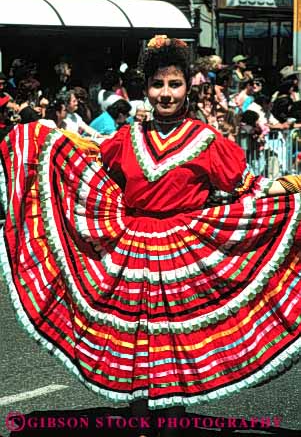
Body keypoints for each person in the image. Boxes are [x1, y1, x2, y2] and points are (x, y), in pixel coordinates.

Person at [0, 35, 301, 437]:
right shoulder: (128, 138)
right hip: (131, 250)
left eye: (174, 84)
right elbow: (91, 163)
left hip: (184, 251)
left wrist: (289, 188)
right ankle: (142, 421)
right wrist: (46, 141)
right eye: (158, 85)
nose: (166, 93)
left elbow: (248, 185)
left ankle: (171, 423)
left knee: (175, 343)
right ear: (146, 89)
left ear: (188, 86)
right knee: (135, 342)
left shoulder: (206, 140)